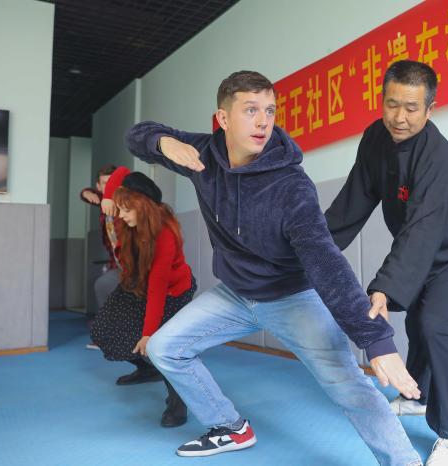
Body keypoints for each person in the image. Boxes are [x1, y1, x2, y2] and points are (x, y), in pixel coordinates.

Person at [127, 70, 422, 465]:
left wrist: (377, 341)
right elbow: (137, 134)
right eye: (251, 110)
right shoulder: (203, 155)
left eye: (269, 110)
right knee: (165, 348)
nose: (263, 121)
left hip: (292, 296)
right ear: (223, 118)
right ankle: (229, 426)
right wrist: (163, 142)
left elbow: (325, 261)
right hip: (235, 295)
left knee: (349, 385)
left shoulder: (290, 186)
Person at [324, 60, 448, 466]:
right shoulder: (374, 139)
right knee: (417, 325)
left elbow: (422, 230)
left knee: (435, 327)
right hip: (416, 253)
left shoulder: (438, 156)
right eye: (392, 104)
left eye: (411, 108)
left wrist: (385, 287)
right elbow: (353, 200)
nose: (399, 117)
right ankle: (417, 397)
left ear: (430, 108)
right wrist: (315, 249)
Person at [90, 166, 197, 427]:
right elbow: (123, 171)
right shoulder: (129, 221)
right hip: (139, 284)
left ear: (143, 206)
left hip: (172, 292)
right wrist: (107, 198)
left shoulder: (165, 234)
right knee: (105, 328)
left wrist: (149, 334)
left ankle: (178, 401)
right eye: (120, 209)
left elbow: (158, 289)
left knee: (163, 345)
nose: (121, 215)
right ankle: (147, 369)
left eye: (126, 210)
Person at [80, 164, 120, 350]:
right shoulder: (104, 202)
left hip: (136, 263)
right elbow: (89, 195)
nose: (109, 187)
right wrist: (85, 192)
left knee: (106, 287)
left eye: (112, 183)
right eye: (105, 183)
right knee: (105, 288)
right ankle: (108, 336)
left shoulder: (126, 202)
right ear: (99, 186)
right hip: (117, 262)